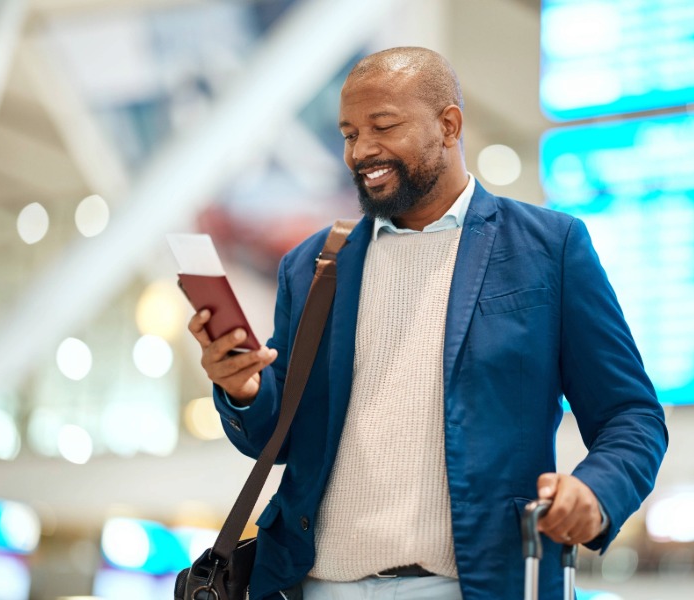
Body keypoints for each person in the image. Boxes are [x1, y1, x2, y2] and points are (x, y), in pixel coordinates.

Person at [187, 46, 668, 600]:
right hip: (317, 585)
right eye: (348, 134)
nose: (362, 151)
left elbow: (631, 415)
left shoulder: (547, 249)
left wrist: (595, 493)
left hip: (479, 585)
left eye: (383, 127)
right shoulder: (313, 265)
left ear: (448, 125)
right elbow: (282, 440)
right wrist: (245, 390)